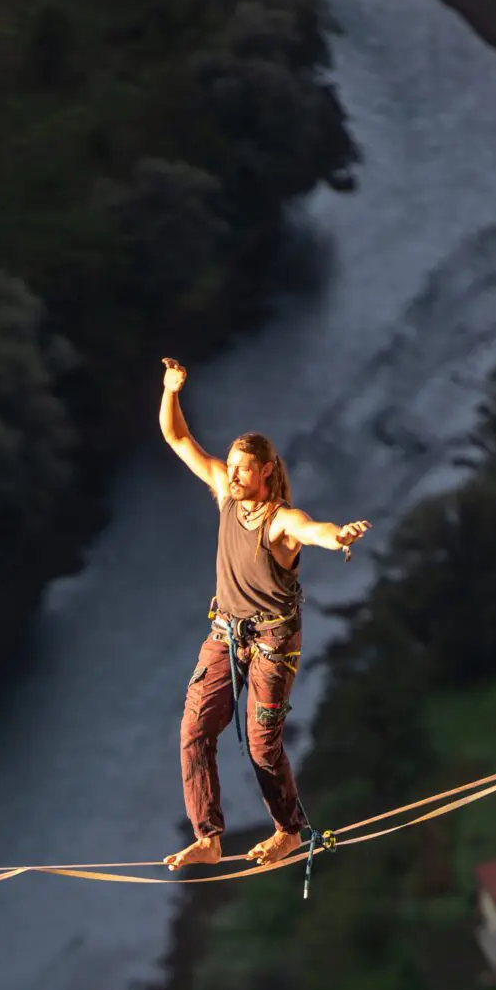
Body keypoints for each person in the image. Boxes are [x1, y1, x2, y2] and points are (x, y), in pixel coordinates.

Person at [158, 357, 370, 870]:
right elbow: (177, 438)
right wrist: (170, 390)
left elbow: (310, 528)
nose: (232, 476)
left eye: (242, 469)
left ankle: (288, 831)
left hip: (274, 643)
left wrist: (335, 535)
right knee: (194, 731)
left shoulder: (278, 521)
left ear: (266, 472)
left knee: (261, 744)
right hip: (226, 633)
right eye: (230, 468)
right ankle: (208, 837)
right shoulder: (226, 495)